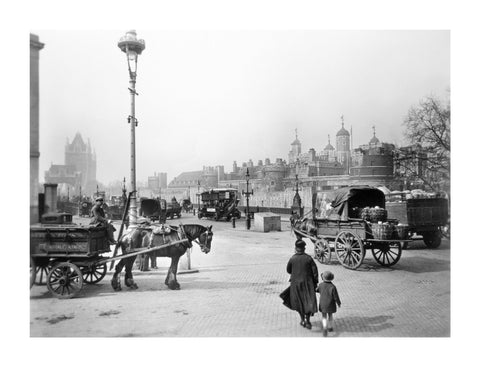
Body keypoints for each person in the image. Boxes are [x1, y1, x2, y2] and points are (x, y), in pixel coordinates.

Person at [281, 239, 319, 329]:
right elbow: (315, 272)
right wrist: (315, 282)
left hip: (296, 284)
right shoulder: (309, 258)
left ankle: (302, 320)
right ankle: (308, 321)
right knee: (308, 302)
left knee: (298, 302)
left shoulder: (293, 258)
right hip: (308, 284)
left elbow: (288, 270)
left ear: (296, 248)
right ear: (304, 248)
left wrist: (295, 272)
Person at [317, 270, 341, 337]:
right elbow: (336, 296)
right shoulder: (333, 287)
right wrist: (338, 303)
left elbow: (317, 290)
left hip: (323, 304)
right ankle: (330, 327)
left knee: (324, 316)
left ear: (323, 278)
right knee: (330, 315)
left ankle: (324, 327)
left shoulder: (321, 285)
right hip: (331, 304)